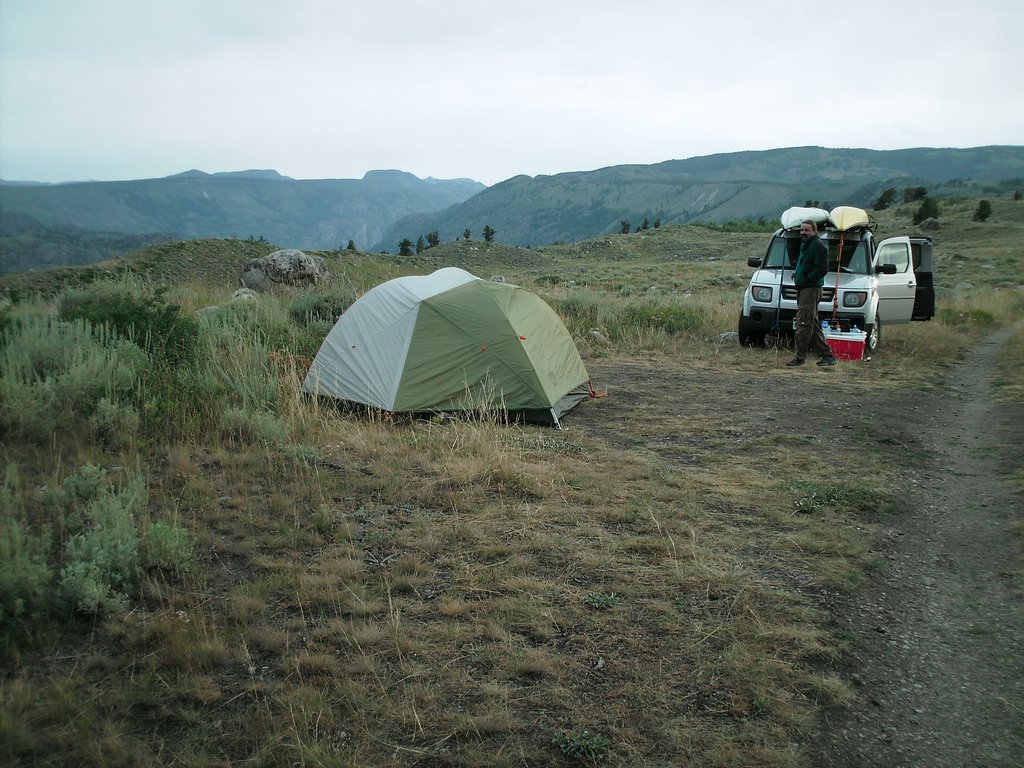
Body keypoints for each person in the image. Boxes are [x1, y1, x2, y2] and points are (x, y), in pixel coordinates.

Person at [787, 219, 837, 367]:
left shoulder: (817, 246)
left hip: (811, 289)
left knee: (803, 322)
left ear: (815, 231)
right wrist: (799, 275)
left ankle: (800, 358)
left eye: (807, 230)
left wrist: (808, 278)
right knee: (811, 323)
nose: (803, 232)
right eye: (802, 230)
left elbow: (822, 268)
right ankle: (827, 356)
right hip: (803, 288)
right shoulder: (806, 246)